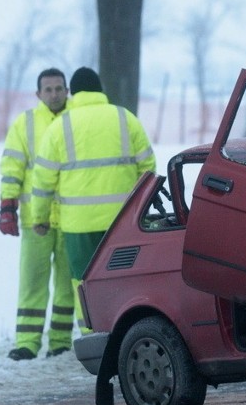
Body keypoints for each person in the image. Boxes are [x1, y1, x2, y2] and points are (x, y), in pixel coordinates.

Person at [30, 67, 156, 332]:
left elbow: (42, 182)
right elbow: (148, 167)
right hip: (122, 223)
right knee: (121, 278)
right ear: (100, 90)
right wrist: (141, 209)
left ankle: (92, 337)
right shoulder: (125, 118)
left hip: (79, 226)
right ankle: (124, 334)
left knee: (84, 282)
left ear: (72, 93)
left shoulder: (60, 127)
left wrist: (39, 217)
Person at [0, 68, 76, 360]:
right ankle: (27, 343)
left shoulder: (75, 121)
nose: (55, 94)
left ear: (67, 90)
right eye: (49, 90)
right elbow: (12, 167)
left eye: (59, 89)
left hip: (71, 216)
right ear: (38, 94)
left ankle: (60, 342)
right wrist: (8, 205)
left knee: (67, 284)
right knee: (31, 280)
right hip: (36, 218)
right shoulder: (26, 123)